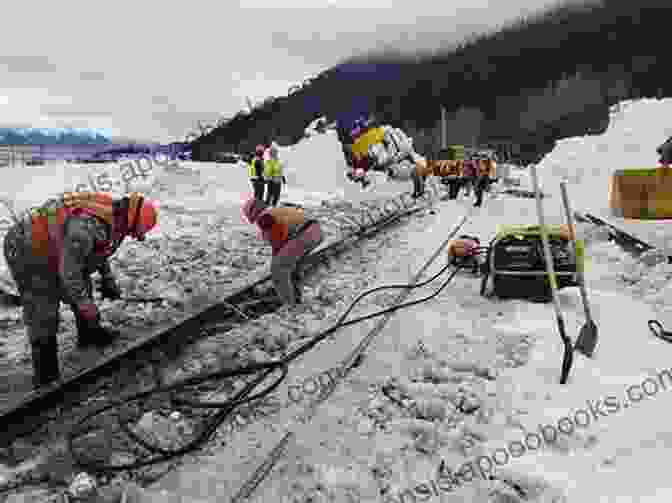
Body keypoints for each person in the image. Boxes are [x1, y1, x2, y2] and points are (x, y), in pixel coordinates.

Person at [2, 191, 159, 387]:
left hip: (59, 246)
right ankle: (45, 372)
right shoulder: (86, 228)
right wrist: (85, 306)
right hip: (28, 247)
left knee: (81, 285)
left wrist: (107, 279)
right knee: (43, 305)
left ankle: (89, 335)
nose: (136, 237)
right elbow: (70, 273)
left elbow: (99, 248)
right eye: (137, 232)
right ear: (133, 220)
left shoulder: (115, 216)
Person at [241, 197, 322, 306]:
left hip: (304, 234)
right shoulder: (274, 211)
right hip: (314, 231)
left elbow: (278, 239)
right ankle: (295, 295)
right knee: (292, 267)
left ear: (252, 213)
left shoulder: (265, 217)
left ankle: (290, 305)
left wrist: (276, 257)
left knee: (278, 269)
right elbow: (282, 235)